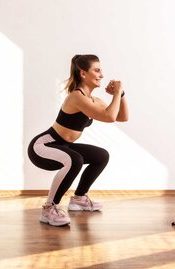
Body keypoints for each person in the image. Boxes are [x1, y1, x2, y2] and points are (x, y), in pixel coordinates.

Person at [27, 54, 129, 226]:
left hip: (62, 146)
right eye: (97, 70)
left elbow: (121, 117)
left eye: (101, 71)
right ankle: (49, 208)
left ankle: (79, 199)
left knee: (101, 156)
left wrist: (121, 94)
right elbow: (110, 117)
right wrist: (117, 92)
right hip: (43, 146)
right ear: (83, 74)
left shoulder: (93, 100)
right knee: (75, 159)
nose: (102, 75)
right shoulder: (76, 97)